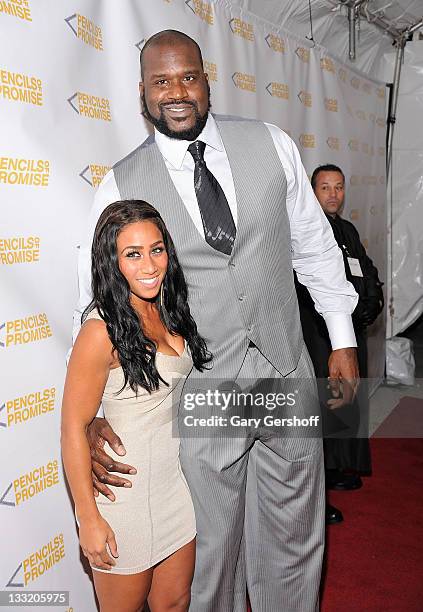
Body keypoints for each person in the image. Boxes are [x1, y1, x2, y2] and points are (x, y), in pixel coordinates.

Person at [73, 30, 359, 612]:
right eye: (161, 81)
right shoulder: (121, 182)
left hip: (285, 371)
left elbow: (314, 247)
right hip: (202, 391)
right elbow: (99, 303)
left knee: (296, 536)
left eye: (188, 77)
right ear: (142, 94)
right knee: (210, 554)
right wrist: (95, 413)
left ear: (207, 80)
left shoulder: (272, 144)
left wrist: (343, 338)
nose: (177, 92)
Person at [62, 200, 211, 612]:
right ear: (112, 262)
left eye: (157, 250)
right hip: (123, 496)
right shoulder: (100, 331)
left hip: (173, 491)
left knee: (175, 604)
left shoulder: (169, 307)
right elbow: (74, 427)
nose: (149, 265)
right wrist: (87, 519)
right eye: (133, 254)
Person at [296, 164, 384, 524]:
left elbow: (368, 273)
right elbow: (306, 287)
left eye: (339, 187)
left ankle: (338, 467)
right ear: (312, 192)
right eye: (324, 187)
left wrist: (369, 307)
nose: (333, 194)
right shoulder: (305, 230)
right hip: (320, 335)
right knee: (323, 407)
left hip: (349, 332)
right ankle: (317, 487)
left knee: (344, 402)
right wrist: (335, 323)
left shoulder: (348, 229)